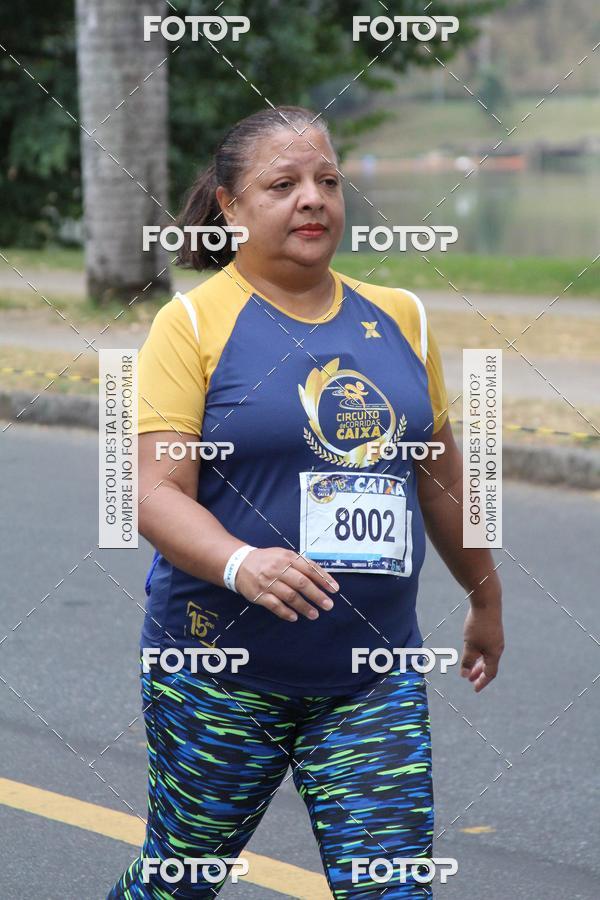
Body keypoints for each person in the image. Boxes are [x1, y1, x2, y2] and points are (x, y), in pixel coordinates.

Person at [108, 105, 504, 899]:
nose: (312, 199)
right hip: (219, 671)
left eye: (326, 180)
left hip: (371, 675)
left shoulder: (402, 316)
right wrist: (240, 561)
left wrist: (485, 597)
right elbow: (150, 493)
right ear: (230, 205)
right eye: (283, 183)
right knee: (177, 883)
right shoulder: (186, 325)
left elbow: (443, 477)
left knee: (391, 889)